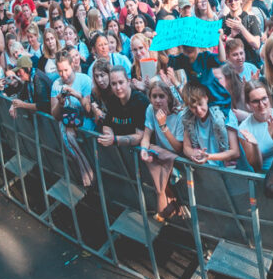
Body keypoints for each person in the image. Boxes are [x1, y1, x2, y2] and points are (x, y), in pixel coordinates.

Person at [139, 77, 185, 221]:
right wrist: (143, 150)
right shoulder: (150, 109)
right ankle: (170, 210)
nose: (158, 100)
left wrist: (163, 126)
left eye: (161, 96)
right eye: (154, 96)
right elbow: (146, 135)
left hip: (178, 158)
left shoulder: (179, 114)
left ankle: (175, 209)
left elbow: (178, 147)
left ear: (169, 97)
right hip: (162, 157)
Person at [180, 83, 241, 168]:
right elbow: (186, 147)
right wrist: (194, 153)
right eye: (193, 107)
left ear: (206, 98)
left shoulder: (225, 114)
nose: (199, 110)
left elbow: (235, 152)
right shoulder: (189, 118)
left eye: (200, 104)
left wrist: (209, 157)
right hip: (204, 168)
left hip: (225, 168)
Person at [97, 66, 150, 149]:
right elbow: (107, 124)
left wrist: (114, 139)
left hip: (141, 153)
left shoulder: (140, 101)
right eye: (114, 84)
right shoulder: (112, 99)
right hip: (121, 152)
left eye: (121, 82)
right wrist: (108, 135)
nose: (118, 88)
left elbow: (140, 136)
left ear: (128, 81)